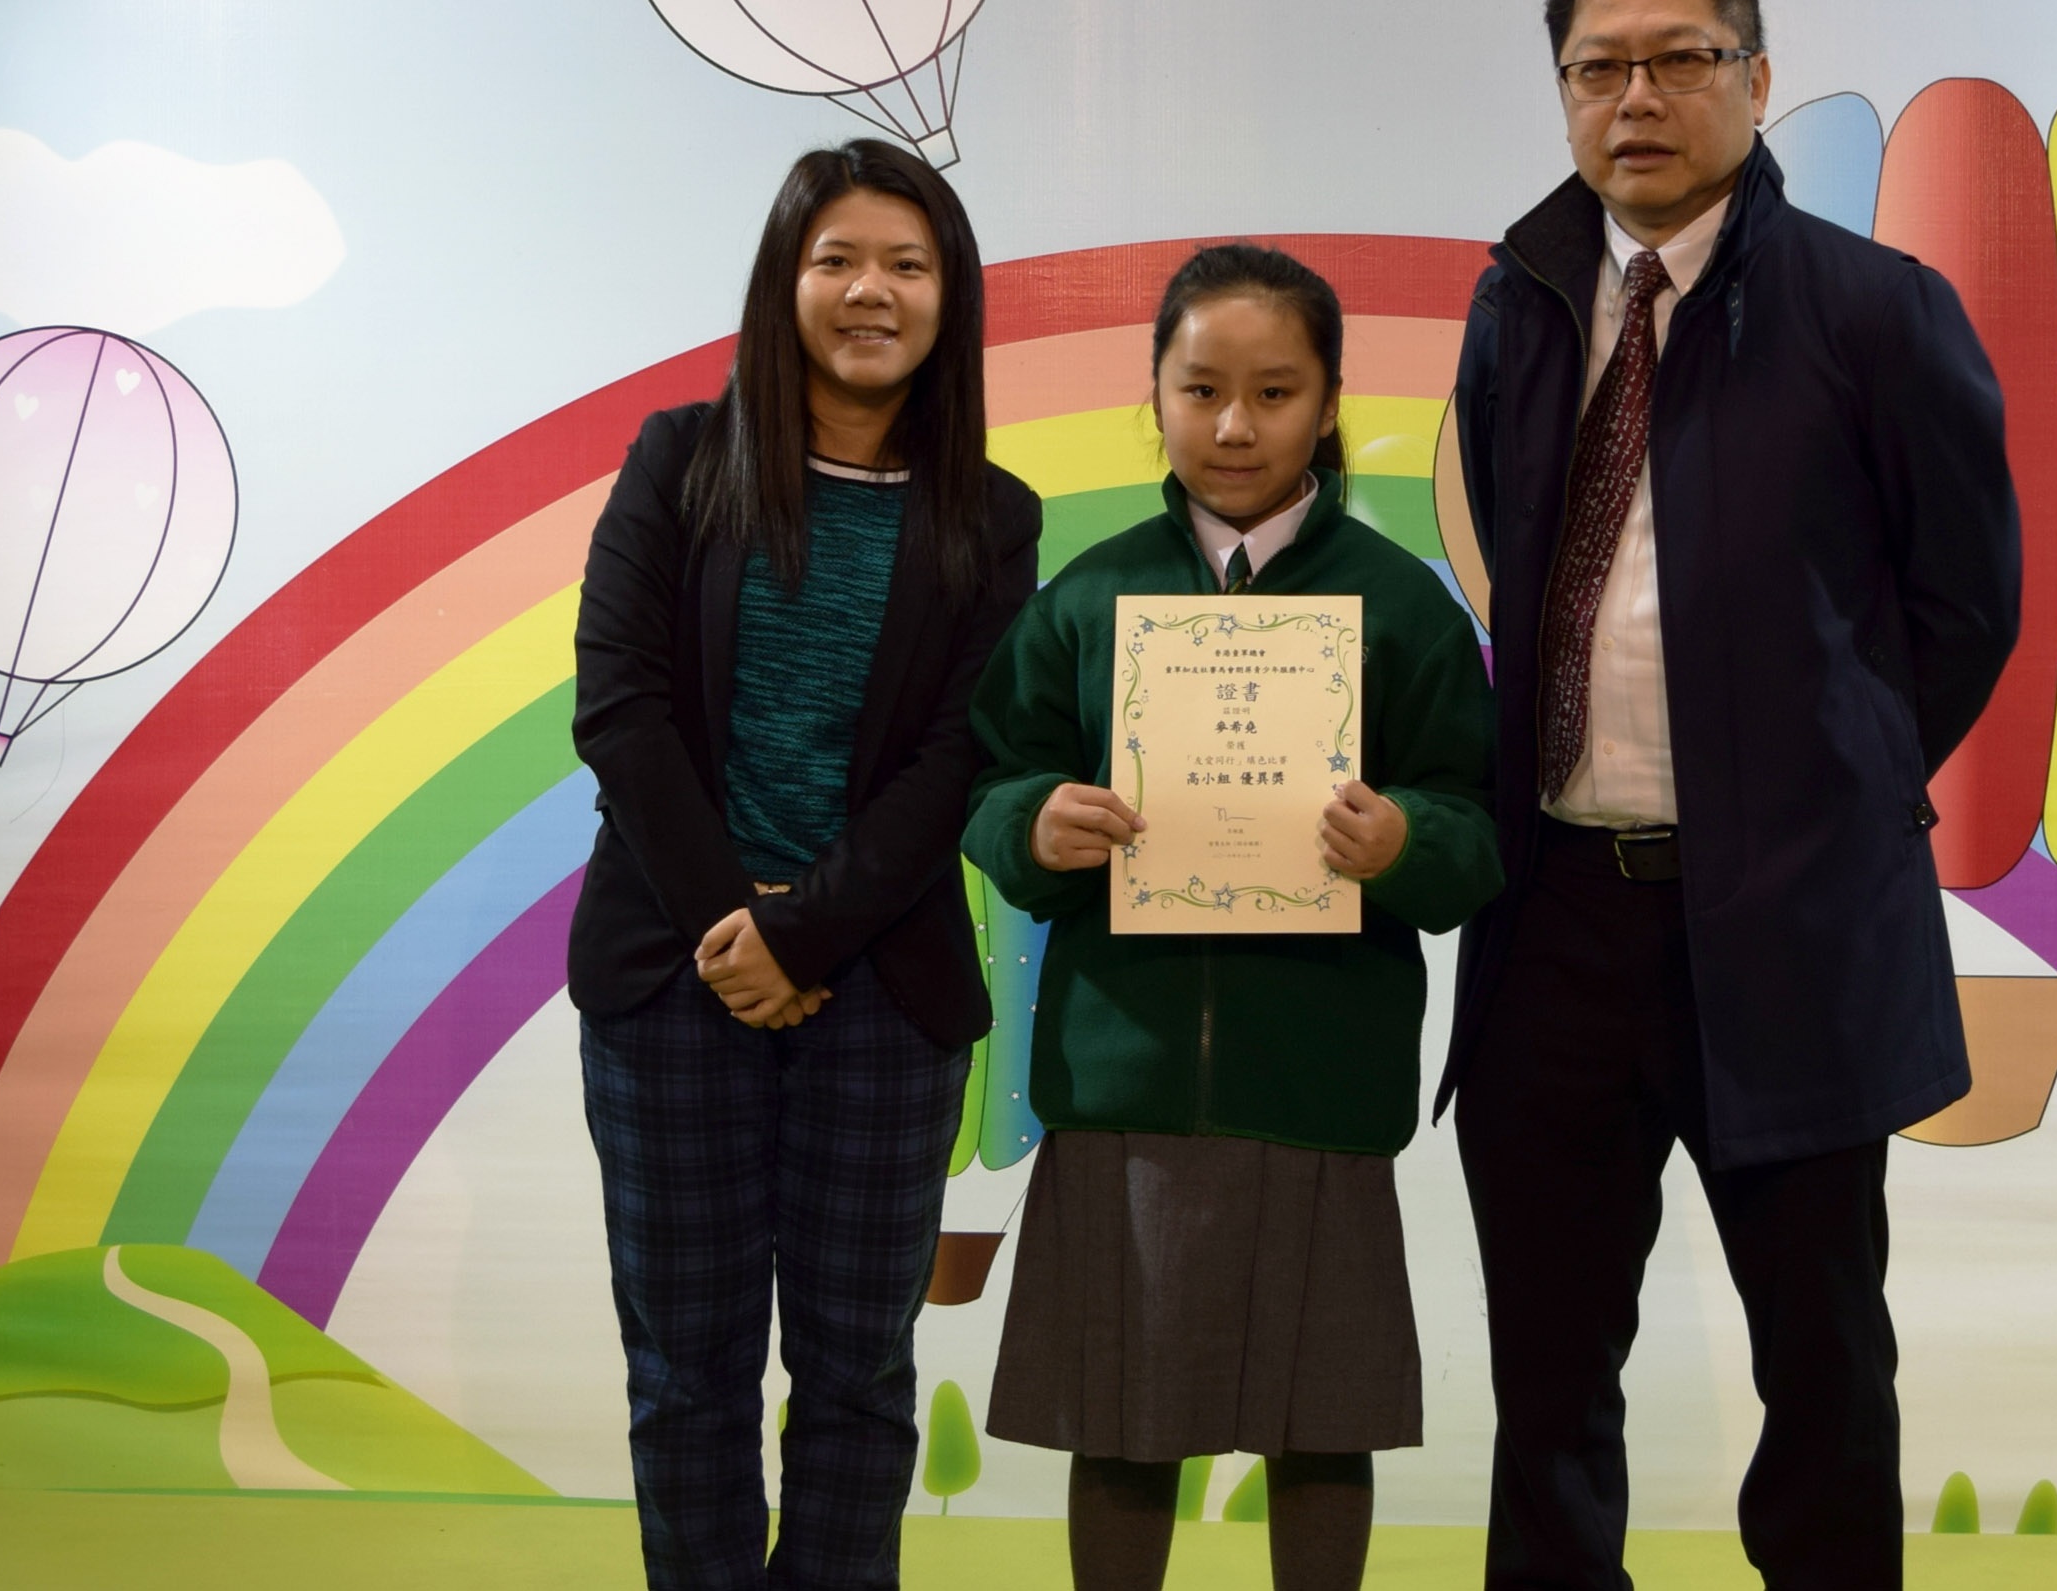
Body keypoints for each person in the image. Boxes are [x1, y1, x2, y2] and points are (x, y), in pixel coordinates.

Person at [1443, 0, 2022, 1590]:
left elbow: (1965, 605)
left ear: (1754, 81)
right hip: (1553, 921)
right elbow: (1513, 566)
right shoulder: (1520, 304)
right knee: (1549, 1377)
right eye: (1596, 68)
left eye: (1677, 60)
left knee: (1822, 1365)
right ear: (1563, 93)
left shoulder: (1876, 309)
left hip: (1788, 926)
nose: (1634, 98)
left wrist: (1820, 785)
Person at [961, 243, 1501, 1591]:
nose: (1235, 426)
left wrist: (1406, 842)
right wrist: (1031, 825)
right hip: (1121, 1077)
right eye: (1202, 390)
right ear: (1154, 395)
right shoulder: (1088, 598)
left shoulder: (1400, 606)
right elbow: (991, 782)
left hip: (1319, 1080)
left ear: (1329, 403)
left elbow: (1477, 827)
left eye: (1274, 391)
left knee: (1321, 1425)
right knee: (1119, 1424)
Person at [568, 139, 1042, 1591]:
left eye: (907, 264)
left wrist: (805, 937)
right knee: (685, 1377)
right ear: (785, 282)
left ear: (950, 297)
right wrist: (736, 927)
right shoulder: (677, 462)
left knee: (857, 1378)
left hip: (883, 995)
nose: (870, 290)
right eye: (837, 259)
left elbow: (956, 758)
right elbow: (619, 705)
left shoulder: (992, 515)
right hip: (672, 983)